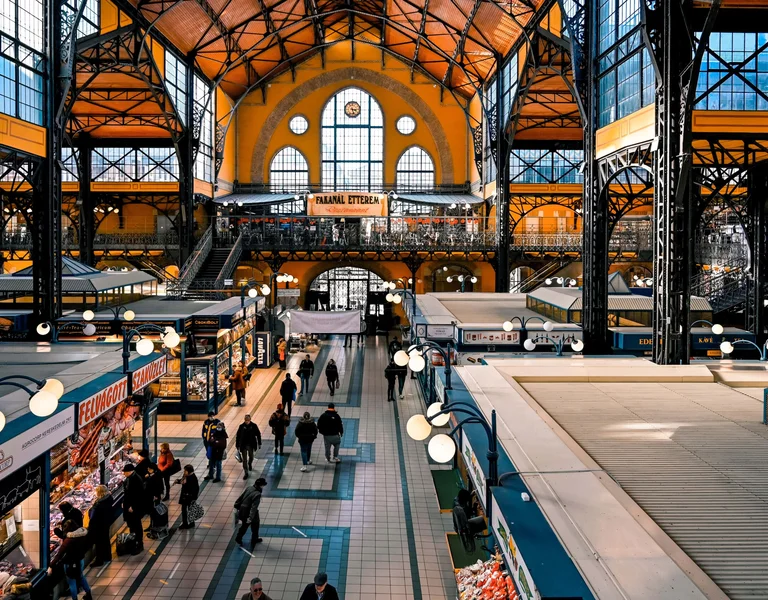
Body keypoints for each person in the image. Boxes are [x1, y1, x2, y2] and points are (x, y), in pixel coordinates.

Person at [48, 519, 93, 600]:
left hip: (70, 563)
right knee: (81, 577)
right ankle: (89, 594)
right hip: (80, 560)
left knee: (72, 582)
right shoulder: (81, 534)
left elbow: (59, 554)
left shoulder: (68, 541)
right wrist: (57, 529)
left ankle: (75, 598)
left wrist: (51, 566)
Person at [234, 477, 267, 551]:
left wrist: (236, 504)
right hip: (249, 513)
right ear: (260, 485)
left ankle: (240, 537)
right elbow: (254, 507)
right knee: (254, 525)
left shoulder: (249, 488)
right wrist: (250, 518)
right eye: (263, 485)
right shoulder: (257, 494)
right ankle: (250, 538)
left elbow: (241, 497)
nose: (263, 486)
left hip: (242, 510)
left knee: (245, 526)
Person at [121, 464, 145, 554]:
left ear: (130, 471)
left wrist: (133, 506)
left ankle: (139, 544)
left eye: (125, 472)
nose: (124, 474)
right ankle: (134, 542)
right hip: (130, 508)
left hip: (135, 510)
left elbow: (139, 496)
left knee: (136, 526)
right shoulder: (130, 478)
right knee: (132, 526)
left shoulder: (136, 480)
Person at [87, 485, 113, 567]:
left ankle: (99, 560)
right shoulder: (109, 498)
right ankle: (107, 557)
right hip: (106, 523)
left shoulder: (99, 504)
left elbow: (92, 516)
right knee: (105, 540)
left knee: (99, 543)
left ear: (99, 493)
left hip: (98, 526)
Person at [236, 414, 262, 480]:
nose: (247, 422)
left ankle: (250, 463)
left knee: (251, 456)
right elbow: (238, 436)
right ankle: (246, 472)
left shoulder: (254, 426)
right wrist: (237, 445)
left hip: (251, 444)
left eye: (248, 420)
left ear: (250, 420)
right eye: (246, 420)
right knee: (244, 459)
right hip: (243, 445)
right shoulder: (241, 426)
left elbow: (258, 434)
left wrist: (259, 443)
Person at [176, 465, 199, 529]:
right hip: (184, 496)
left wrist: (193, 497)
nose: (184, 472)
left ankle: (191, 523)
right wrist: (178, 481)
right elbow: (182, 481)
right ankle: (185, 523)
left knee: (190, 510)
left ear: (189, 471)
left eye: (185, 470)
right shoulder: (186, 476)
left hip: (190, 497)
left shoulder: (193, 478)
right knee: (183, 509)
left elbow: (196, 489)